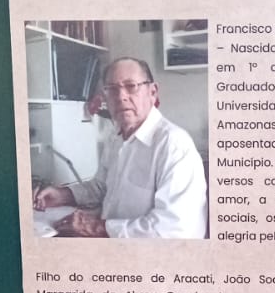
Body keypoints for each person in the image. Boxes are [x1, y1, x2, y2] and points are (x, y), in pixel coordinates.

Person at [33, 57, 207, 238]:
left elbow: (174, 228)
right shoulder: (116, 137)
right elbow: (101, 187)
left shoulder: (173, 144)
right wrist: (63, 195)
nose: (121, 96)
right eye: (112, 89)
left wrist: (97, 227)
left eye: (131, 86)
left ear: (152, 92)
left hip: (153, 254)